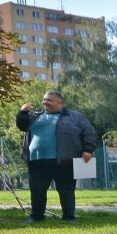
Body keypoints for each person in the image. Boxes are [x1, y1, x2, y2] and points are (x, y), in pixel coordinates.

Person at [15, 90, 97, 222]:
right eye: (44, 99)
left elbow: (90, 133)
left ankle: (69, 217)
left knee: (66, 190)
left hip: (64, 161)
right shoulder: (35, 116)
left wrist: (88, 149)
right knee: (37, 191)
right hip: (37, 160)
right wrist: (23, 113)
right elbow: (22, 125)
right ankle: (36, 217)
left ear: (59, 103)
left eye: (49, 100)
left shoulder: (75, 117)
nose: (45, 102)